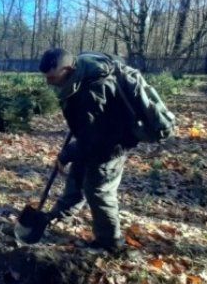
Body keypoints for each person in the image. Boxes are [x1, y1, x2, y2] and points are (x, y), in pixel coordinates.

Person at [38, 48, 139, 253]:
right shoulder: (79, 73)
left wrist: (65, 155)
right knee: (76, 176)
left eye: (52, 77)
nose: (49, 83)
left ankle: (110, 242)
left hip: (111, 145)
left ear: (67, 69)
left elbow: (93, 138)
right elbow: (86, 132)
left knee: (97, 190)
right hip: (93, 138)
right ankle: (60, 215)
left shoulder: (92, 90)